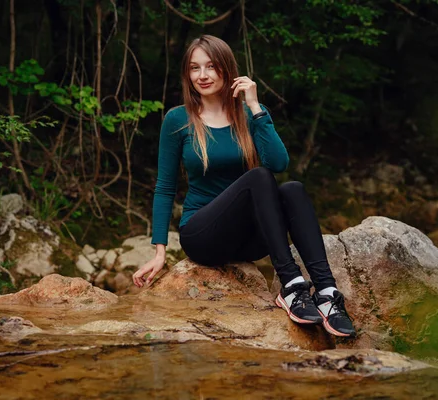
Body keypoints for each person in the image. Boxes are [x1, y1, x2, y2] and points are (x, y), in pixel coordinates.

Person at [132, 34, 355, 337]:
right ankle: (291, 285)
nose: (203, 75)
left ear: (227, 68)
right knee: (258, 178)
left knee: (292, 189)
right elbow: (164, 187)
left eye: (211, 66)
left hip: (249, 240)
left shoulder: (250, 112)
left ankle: (327, 293)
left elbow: (279, 164)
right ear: (187, 74)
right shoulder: (177, 120)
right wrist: (159, 251)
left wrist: (254, 106)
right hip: (203, 235)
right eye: (195, 68)